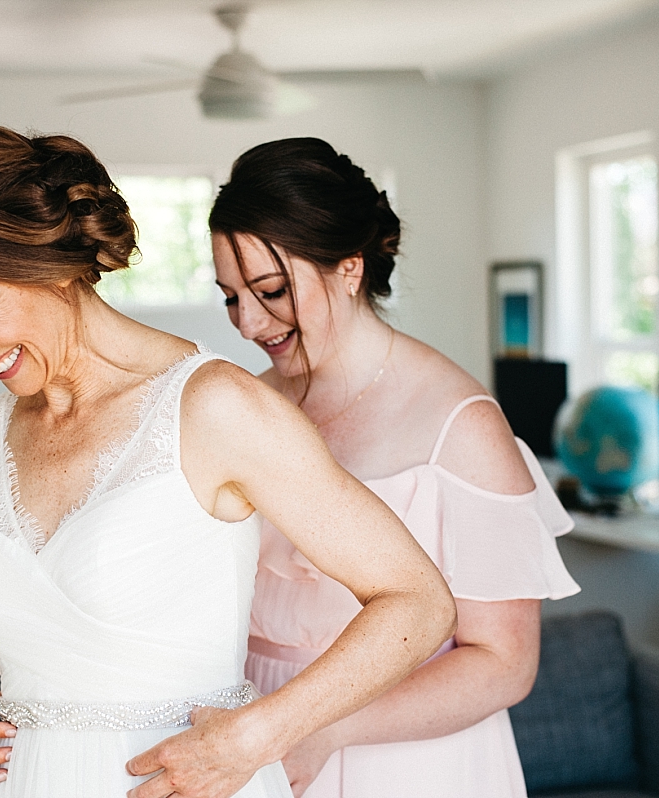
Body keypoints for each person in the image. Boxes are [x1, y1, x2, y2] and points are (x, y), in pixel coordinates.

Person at [0, 123, 456, 798]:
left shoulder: (216, 409)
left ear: (47, 264)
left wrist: (256, 736)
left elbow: (417, 601)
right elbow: (10, 612)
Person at [208, 137, 580, 798]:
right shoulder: (247, 406)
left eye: (269, 291)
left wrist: (321, 728)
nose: (247, 322)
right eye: (231, 296)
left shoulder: (459, 424)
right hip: (251, 740)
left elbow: (504, 664)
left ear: (349, 268)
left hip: (401, 757)